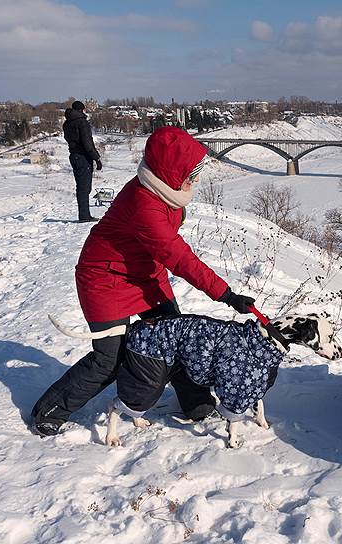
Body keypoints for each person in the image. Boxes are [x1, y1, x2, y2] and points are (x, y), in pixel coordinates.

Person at [32, 126, 256, 436]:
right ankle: (50, 411)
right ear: (171, 171)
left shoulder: (163, 188)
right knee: (109, 359)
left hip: (144, 274)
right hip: (104, 277)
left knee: (177, 341)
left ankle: (198, 405)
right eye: (191, 173)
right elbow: (177, 255)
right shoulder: (146, 203)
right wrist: (226, 294)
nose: (196, 179)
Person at [63, 100, 102, 222]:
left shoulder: (67, 123)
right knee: (84, 188)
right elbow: (87, 143)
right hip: (83, 157)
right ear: (82, 109)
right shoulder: (82, 123)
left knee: (81, 187)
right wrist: (97, 158)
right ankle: (84, 216)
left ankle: (84, 215)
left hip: (73, 155)